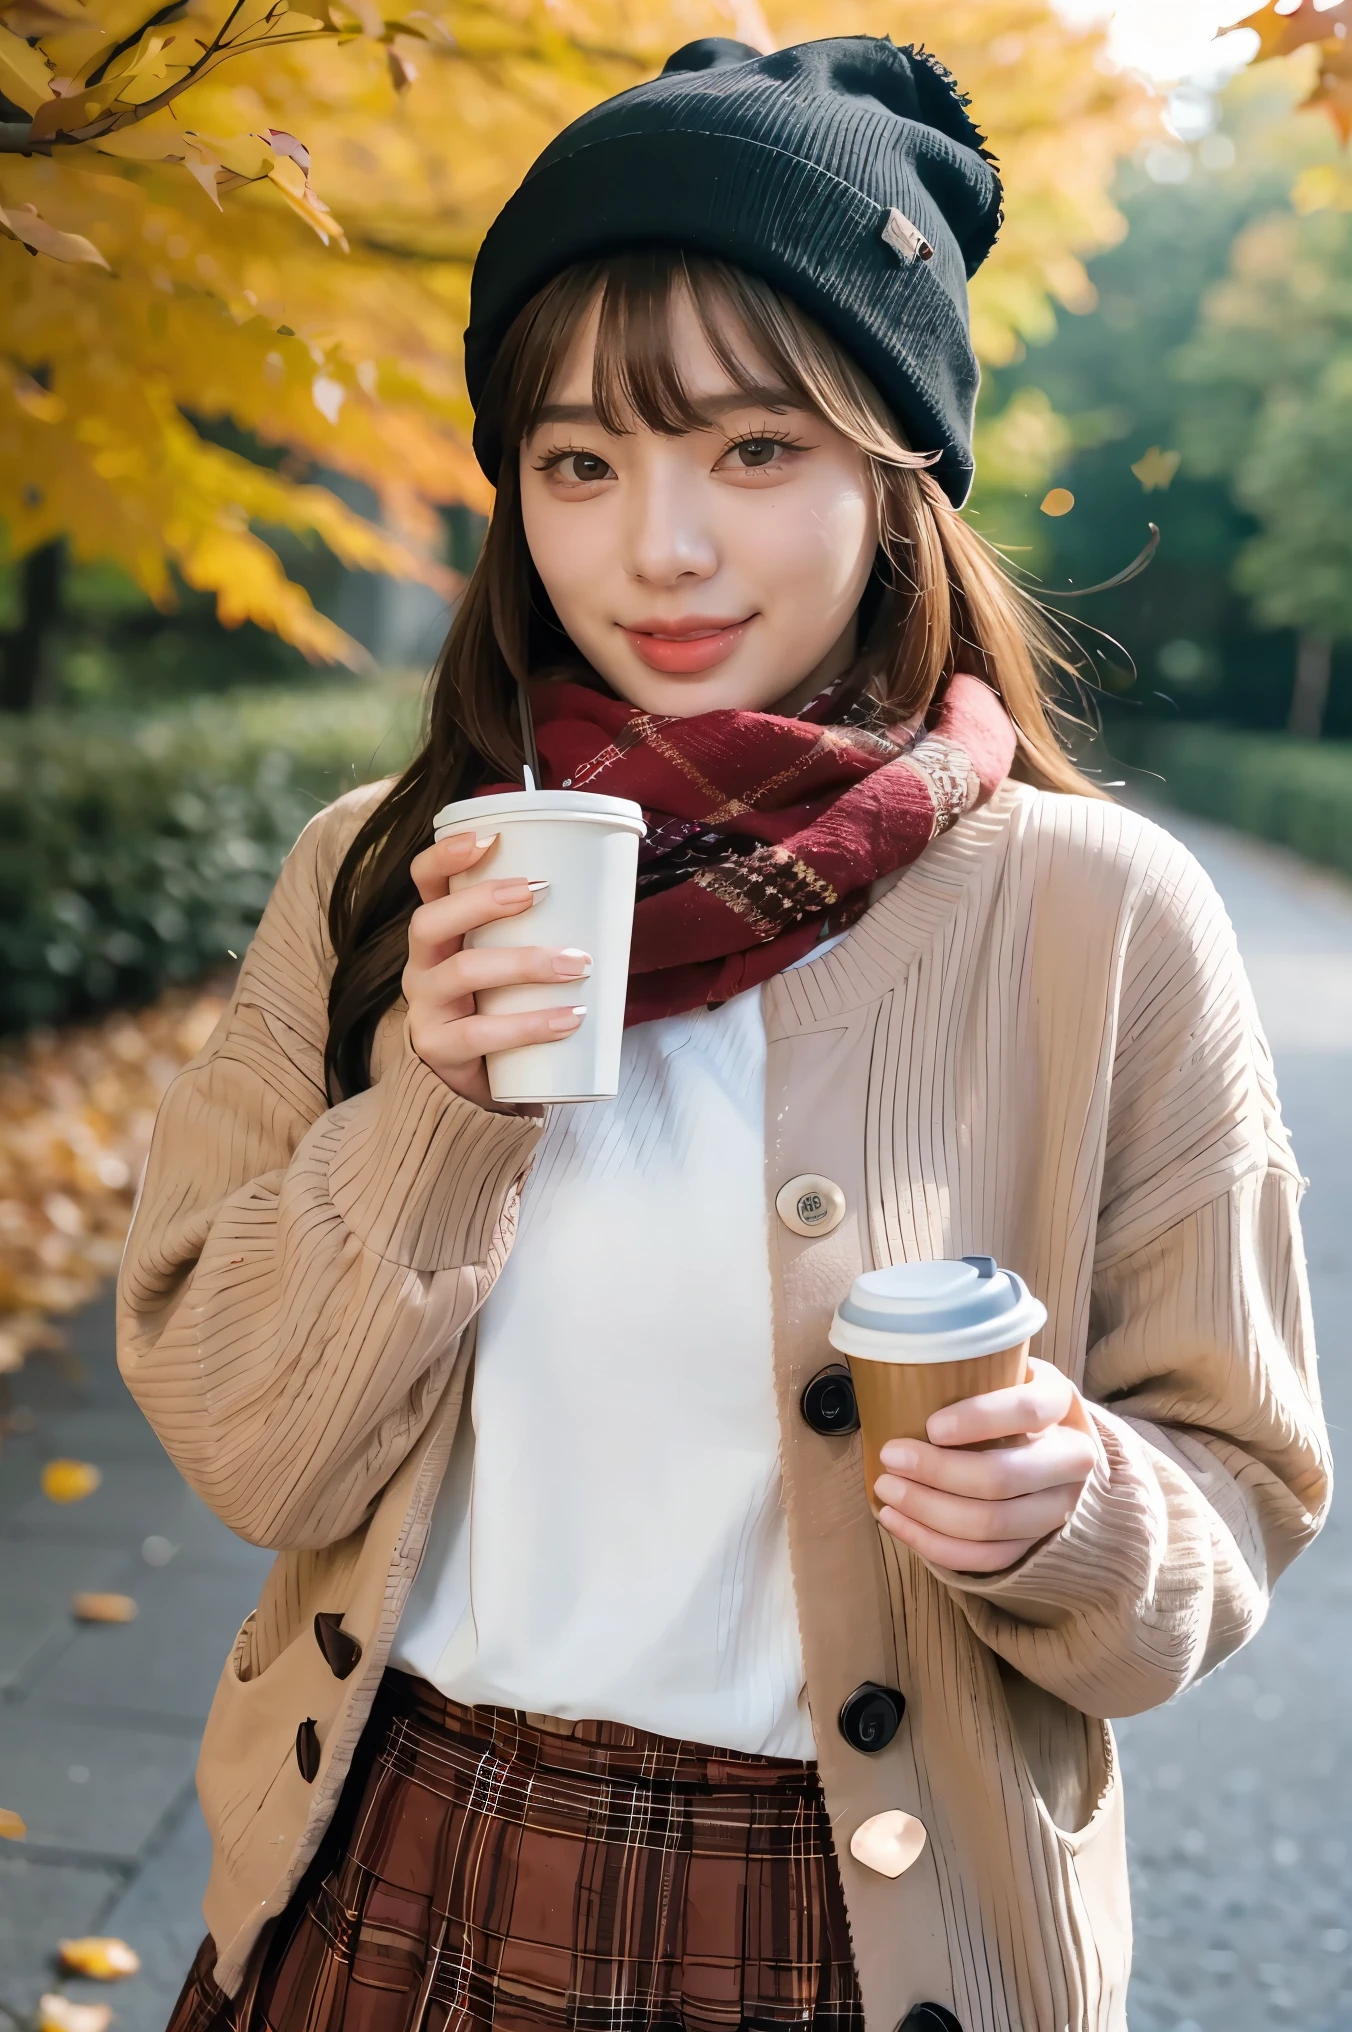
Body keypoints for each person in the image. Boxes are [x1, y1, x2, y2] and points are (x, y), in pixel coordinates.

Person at [117, 36, 1330, 2032]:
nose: (656, 546)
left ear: (894, 464)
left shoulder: (1095, 918)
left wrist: (1075, 1510)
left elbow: (1233, 1500)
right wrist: (435, 1095)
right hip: (383, 1872)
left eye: (751, 451)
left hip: (855, 1939)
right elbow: (246, 1440)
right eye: (581, 461)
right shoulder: (375, 877)